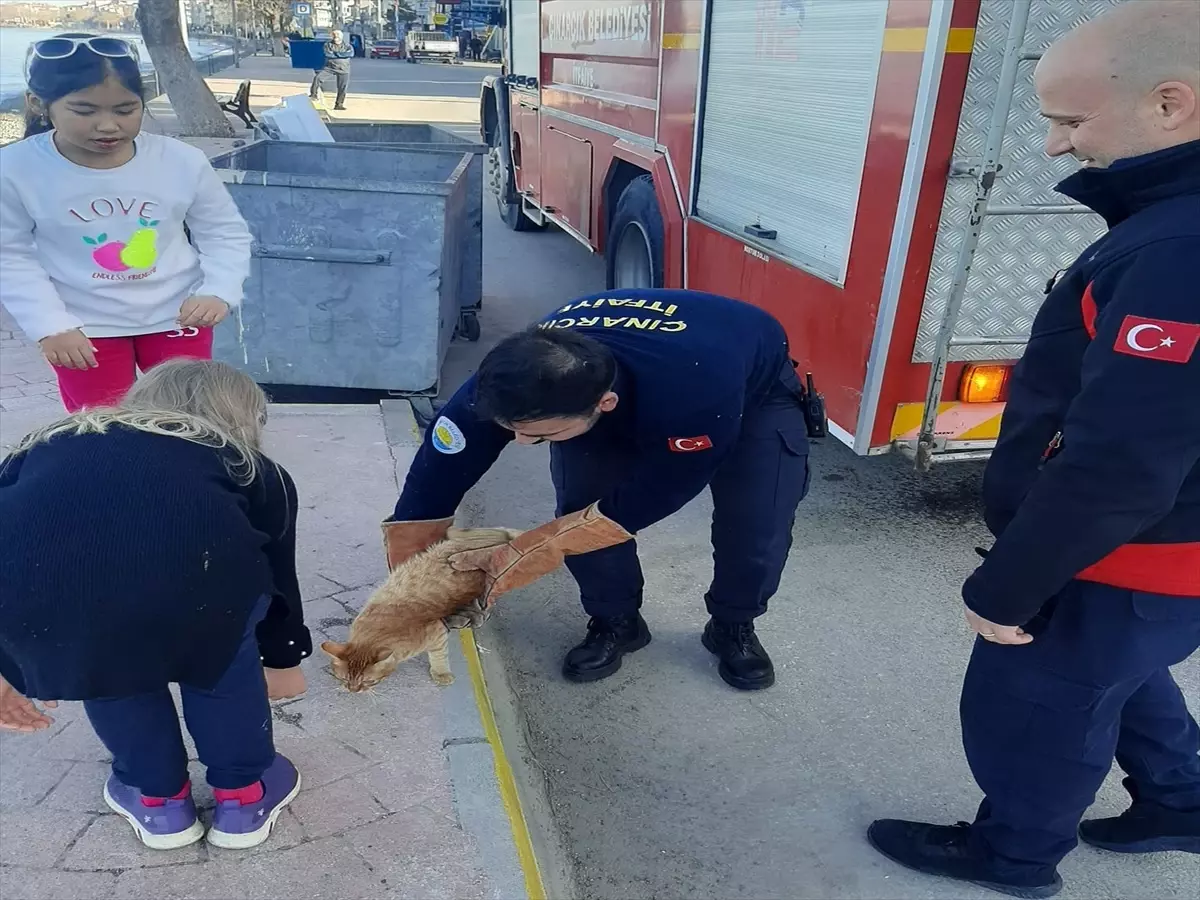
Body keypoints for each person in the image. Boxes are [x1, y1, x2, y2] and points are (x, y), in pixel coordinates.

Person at [868, 2, 1200, 896]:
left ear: (1172, 105)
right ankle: (1180, 801)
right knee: (1121, 674)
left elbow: (1120, 464)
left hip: (1127, 556)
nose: (1054, 148)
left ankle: (1011, 856)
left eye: (1070, 121)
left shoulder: (1177, 251)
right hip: (1170, 562)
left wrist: (1009, 582)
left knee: (1039, 710)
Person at [382, 289, 821, 691]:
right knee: (579, 505)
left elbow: (652, 495)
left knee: (757, 524)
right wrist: (413, 591)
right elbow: (432, 480)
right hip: (623, 378)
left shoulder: (696, 396)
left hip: (749, 392)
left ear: (603, 405)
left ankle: (733, 624)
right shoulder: (511, 376)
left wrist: (516, 557)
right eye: (511, 430)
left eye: (538, 436)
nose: (521, 442)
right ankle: (616, 621)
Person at [0, 359, 310, 851]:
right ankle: (243, 800)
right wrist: (284, 657)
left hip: (47, 602)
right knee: (220, 670)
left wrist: (11, 657)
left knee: (109, 676)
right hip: (204, 592)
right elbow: (276, 573)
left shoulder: (42, 446)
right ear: (243, 417)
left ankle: (159, 803)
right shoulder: (245, 464)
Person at [0, 34, 252, 413]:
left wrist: (219, 289)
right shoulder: (15, 169)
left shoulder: (181, 160)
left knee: (188, 418)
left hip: (178, 315)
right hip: (82, 328)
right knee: (103, 426)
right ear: (38, 104)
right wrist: (50, 325)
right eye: (84, 111)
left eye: (125, 109)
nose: (108, 125)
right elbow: (10, 255)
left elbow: (223, 231)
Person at [310, 29, 354, 111]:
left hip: (344, 69)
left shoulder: (348, 46)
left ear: (341, 37)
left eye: (338, 36)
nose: (336, 38)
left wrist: (336, 54)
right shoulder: (328, 45)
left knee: (342, 87)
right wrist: (341, 55)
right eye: (334, 36)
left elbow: (350, 54)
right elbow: (328, 54)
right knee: (318, 78)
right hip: (329, 68)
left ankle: (339, 104)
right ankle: (313, 95)